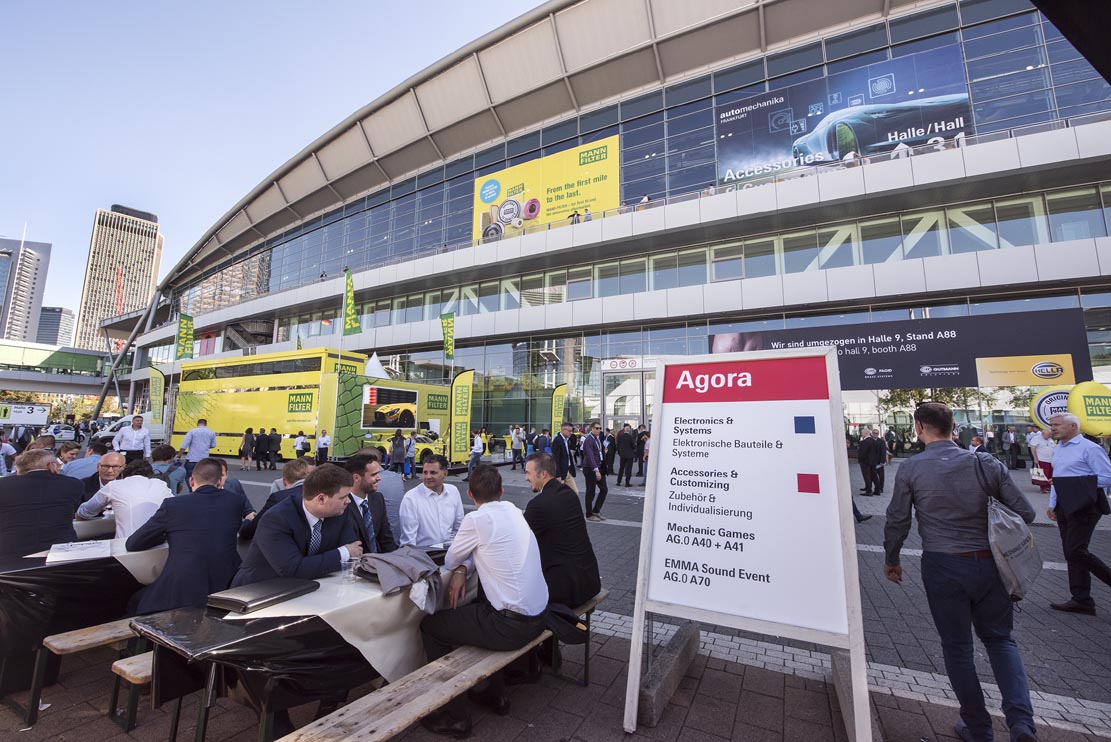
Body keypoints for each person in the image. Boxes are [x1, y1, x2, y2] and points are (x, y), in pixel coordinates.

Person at [884, 402, 1038, 742]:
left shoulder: (911, 468)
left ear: (919, 427)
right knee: (1000, 641)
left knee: (957, 649)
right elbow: (1025, 512)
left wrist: (892, 558)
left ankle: (979, 728)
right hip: (991, 565)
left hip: (943, 564)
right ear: (954, 426)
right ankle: (1022, 724)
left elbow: (898, 519)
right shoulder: (985, 463)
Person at [419, 465, 548, 737]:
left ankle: (454, 715)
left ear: (469, 494)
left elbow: (452, 559)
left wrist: (462, 568)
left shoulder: (477, 519)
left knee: (432, 626)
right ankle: (495, 694)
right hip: (540, 618)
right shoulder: (513, 510)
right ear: (501, 491)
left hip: (511, 628)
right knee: (481, 604)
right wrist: (468, 567)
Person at [125, 458, 253, 614]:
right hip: (227, 581)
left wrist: (168, 534)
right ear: (220, 482)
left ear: (191, 481)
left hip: (183, 584)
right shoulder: (236, 501)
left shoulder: (173, 505)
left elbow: (134, 543)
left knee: (135, 602)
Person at [231, 464, 363, 587]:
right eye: (343, 497)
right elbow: (293, 569)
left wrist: (344, 554)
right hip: (259, 591)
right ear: (321, 499)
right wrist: (344, 552)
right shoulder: (276, 519)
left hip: (312, 587)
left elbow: (354, 554)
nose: (348, 501)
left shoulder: (340, 512)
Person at [1045, 412, 1111, 615]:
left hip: (1086, 505)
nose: (1053, 428)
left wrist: (1076, 485)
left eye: (1057, 425)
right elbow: (1058, 478)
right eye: (1052, 425)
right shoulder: (1058, 449)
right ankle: (1081, 599)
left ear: (1073, 426)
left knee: (1076, 550)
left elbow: (1106, 477)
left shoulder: (1090, 448)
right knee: (1070, 552)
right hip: (1065, 505)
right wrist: (1052, 504)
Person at [523, 453, 601, 607]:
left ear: (543, 474)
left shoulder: (538, 505)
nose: (526, 478)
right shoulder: (568, 494)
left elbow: (521, 542)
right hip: (590, 580)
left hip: (567, 590)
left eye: (528, 473)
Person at [0, 450, 83, 560]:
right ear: (51, 466)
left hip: (9, 554)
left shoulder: (3, 485)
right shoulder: (74, 484)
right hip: (61, 553)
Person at [77, 460, 173, 539]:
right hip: (161, 542)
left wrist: (79, 516)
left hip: (126, 546)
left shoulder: (114, 485)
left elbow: (84, 512)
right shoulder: (161, 485)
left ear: (123, 475)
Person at [240, 457, 315, 539]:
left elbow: (256, 526)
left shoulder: (279, 497)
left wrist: (246, 522)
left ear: (284, 481)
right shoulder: (319, 493)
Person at [399, 454, 463, 548]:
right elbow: (409, 543)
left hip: (450, 552)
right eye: (425, 472)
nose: (428, 476)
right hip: (423, 556)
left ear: (445, 473)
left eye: (433, 472)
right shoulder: (411, 499)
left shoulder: (453, 491)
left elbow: (459, 528)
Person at [343, 454, 397, 554]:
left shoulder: (377, 499)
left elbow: (386, 539)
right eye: (373, 475)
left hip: (380, 562)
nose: (379, 478)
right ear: (356, 478)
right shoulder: (342, 505)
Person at [580, 422, 607, 522]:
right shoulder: (589, 440)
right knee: (590, 491)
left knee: (604, 489)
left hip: (599, 466)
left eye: (600, 428)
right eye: (597, 428)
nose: (599, 430)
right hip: (590, 468)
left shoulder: (598, 439)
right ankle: (588, 514)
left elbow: (597, 452)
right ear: (592, 428)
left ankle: (596, 510)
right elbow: (590, 456)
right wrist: (596, 470)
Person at [180, 418, 217, 486]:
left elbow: (184, 445)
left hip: (192, 459)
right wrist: (205, 446)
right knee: (203, 478)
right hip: (204, 460)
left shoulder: (192, 431)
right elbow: (213, 445)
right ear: (206, 424)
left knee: (189, 477)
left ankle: (192, 490)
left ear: (197, 424)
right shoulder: (211, 432)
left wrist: (179, 455)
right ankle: (199, 490)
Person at [551, 422, 579, 497]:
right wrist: (558, 475)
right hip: (561, 472)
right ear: (563, 430)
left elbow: (568, 455)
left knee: (575, 492)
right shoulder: (557, 441)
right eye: (569, 431)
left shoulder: (566, 440)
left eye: (572, 431)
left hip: (568, 471)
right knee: (560, 495)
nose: (571, 432)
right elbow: (555, 459)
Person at [857, 428, 885, 496]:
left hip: (866, 462)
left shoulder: (865, 442)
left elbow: (862, 453)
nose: (861, 434)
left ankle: (869, 491)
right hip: (873, 462)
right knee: (874, 476)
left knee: (867, 476)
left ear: (866, 433)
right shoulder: (873, 441)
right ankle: (877, 490)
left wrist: (860, 459)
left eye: (862, 433)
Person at [1029, 427, 1056, 495]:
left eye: (1050, 434)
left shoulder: (1050, 440)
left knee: (1050, 474)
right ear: (1043, 433)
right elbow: (1033, 448)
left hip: (1051, 460)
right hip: (1042, 459)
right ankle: (1043, 487)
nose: (1050, 436)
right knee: (1043, 474)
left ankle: (1048, 486)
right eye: (1049, 434)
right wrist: (1035, 458)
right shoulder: (1036, 438)